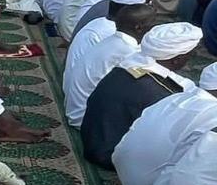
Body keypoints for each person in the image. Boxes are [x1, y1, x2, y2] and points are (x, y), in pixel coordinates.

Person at [81, 21, 203, 167]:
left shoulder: (129, 64)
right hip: (108, 155)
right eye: (190, 54)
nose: (192, 57)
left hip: (92, 140)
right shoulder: (159, 92)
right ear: (177, 59)